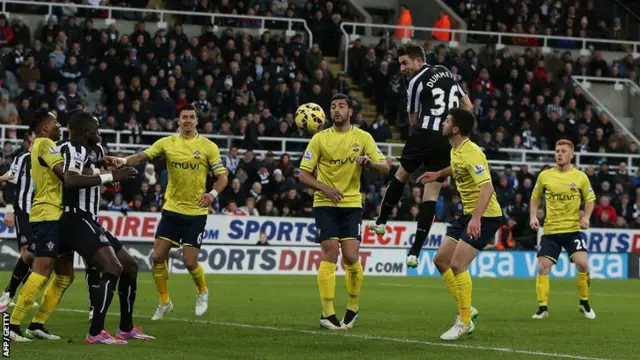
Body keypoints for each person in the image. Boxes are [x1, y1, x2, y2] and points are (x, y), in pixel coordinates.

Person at [9, 110, 134, 342]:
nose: (60, 126)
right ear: (45, 127)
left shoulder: (48, 145)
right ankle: (12, 326)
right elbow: (68, 176)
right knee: (41, 270)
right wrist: (108, 175)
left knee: (65, 275)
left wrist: (98, 163)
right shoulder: (45, 144)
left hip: (55, 214)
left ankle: (37, 324)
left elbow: (74, 169)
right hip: (47, 213)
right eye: (55, 123)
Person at [109, 104, 228, 320]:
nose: (188, 120)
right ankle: (164, 302)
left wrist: (212, 194)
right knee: (157, 257)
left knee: (190, 262)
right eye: (185, 117)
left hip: (196, 212)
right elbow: (144, 155)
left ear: (197, 121)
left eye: (192, 117)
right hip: (172, 209)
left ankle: (202, 291)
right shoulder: (167, 143)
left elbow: (223, 176)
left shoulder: (208, 146)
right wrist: (124, 160)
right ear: (179, 120)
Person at [368, 43, 473, 269]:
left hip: (425, 133)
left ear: (419, 60)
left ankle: (381, 221)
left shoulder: (415, 81)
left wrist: (419, 139)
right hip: (447, 141)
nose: (402, 68)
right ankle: (415, 252)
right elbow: (468, 105)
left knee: (402, 175)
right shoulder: (446, 71)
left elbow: (413, 118)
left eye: (405, 63)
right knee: (431, 194)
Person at [58, 111, 154, 343]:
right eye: (96, 130)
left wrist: (108, 164)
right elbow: (70, 180)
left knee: (130, 265)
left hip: (90, 220)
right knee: (112, 266)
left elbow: (94, 165)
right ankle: (95, 332)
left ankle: (126, 328)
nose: (99, 134)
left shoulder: (96, 150)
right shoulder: (70, 149)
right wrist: (111, 176)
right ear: (86, 131)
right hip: (73, 219)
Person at [299, 93, 389, 330]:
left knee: (350, 256)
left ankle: (353, 306)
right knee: (330, 253)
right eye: (333, 107)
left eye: (341, 106)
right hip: (325, 203)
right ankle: (327, 313)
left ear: (350, 112)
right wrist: (325, 188)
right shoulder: (319, 139)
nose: (336, 110)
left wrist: (369, 163)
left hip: (351, 204)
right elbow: (303, 174)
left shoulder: (363, 137)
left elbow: (386, 166)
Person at [417, 108, 503, 340]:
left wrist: (476, 218)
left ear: (455, 128)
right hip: (468, 213)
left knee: (457, 264)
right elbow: (455, 168)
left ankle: (464, 320)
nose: (443, 123)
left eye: (446, 121)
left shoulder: (472, 152)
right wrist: (437, 175)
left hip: (485, 215)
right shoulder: (455, 150)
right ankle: (468, 309)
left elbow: (487, 187)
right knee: (441, 260)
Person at [529, 139, 596, 320]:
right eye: (557, 151)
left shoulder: (580, 177)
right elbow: (535, 197)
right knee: (544, 267)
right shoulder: (545, 176)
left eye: (563, 151)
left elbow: (590, 199)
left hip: (573, 229)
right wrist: (533, 216)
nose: (559, 154)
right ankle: (542, 308)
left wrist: (586, 217)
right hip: (551, 231)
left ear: (571, 155)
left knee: (583, 264)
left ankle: (584, 302)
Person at [0, 134, 37, 312]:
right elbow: (11, 182)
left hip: (43, 213)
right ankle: (9, 293)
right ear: (30, 141)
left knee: (37, 256)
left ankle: (23, 294)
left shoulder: (50, 159)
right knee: (28, 254)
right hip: (24, 210)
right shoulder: (23, 158)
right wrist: (9, 208)